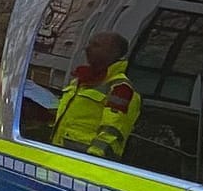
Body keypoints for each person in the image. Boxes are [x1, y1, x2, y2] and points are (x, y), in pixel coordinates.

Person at [50, 31, 139, 159]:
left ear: (113, 52)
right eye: (89, 43)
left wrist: (92, 159)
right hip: (59, 155)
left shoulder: (121, 88)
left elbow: (113, 131)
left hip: (83, 163)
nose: (87, 48)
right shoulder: (81, 81)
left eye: (96, 45)